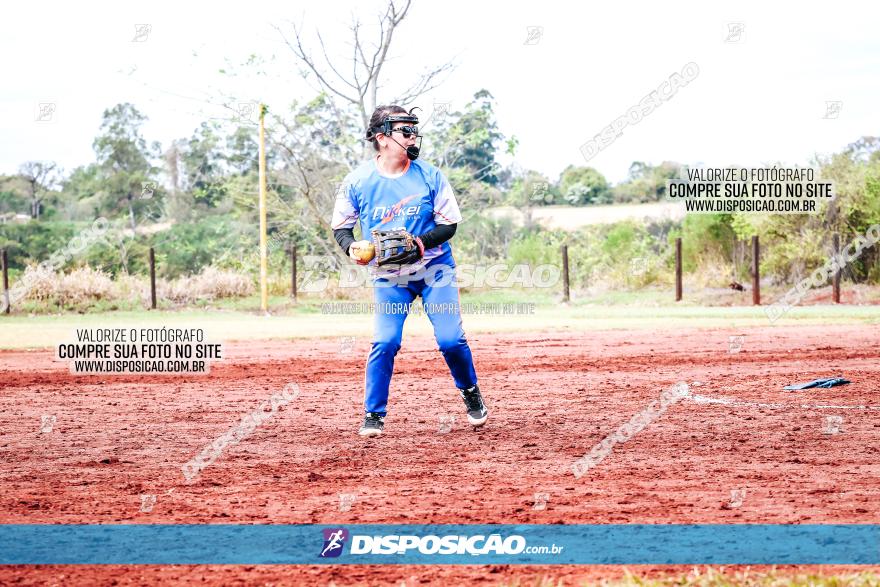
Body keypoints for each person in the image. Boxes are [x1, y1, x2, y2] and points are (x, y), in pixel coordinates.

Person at [330, 104, 488, 437]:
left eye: (414, 129)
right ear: (382, 137)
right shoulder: (356, 181)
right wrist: (351, 247)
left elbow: (449, 224)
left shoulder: (430, 175)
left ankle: (470, 390)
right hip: (389, 276)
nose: (413, 135)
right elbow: (341, 227)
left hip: (435, 270)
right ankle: (374, 414)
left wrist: (421, 242)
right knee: (385, 341)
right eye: (405, 130)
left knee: (450, 340)